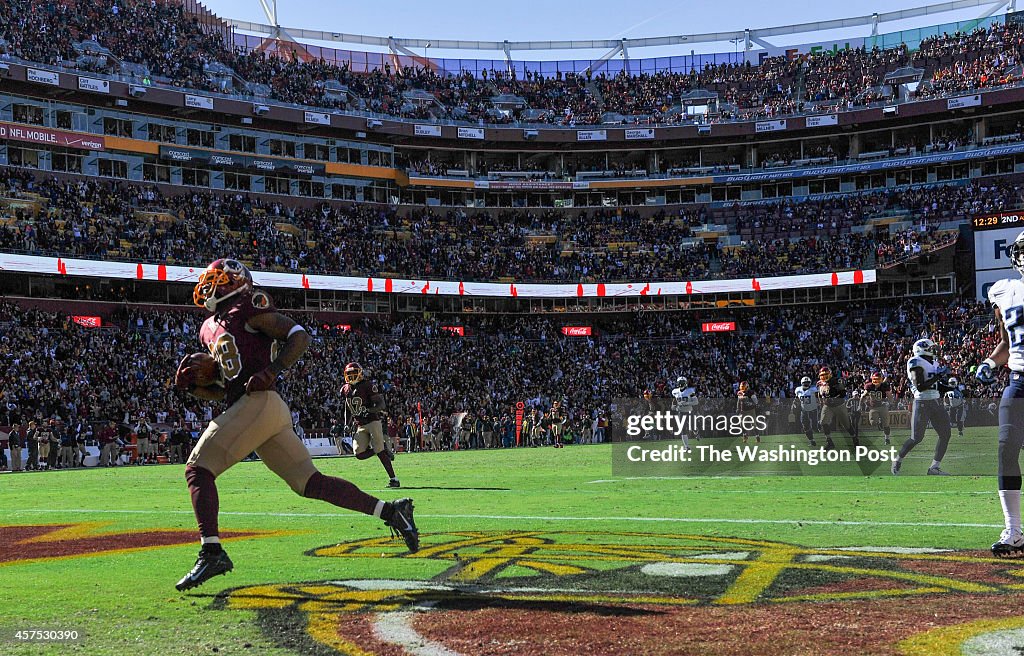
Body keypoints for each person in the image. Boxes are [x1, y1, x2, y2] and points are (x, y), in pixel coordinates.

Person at [173, 258, 418, 591]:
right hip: (254, 409)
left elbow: (298, 335)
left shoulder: (250, 305)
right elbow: (225, 391)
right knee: (310, 484)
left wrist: (271, 370)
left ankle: (211, 550)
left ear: (236, 282)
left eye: (217, 278)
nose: (208, 285)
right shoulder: (207, 328)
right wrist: (196, 388)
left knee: (197, 470)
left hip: (260, 403)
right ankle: (393, 513)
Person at [978, 235, 1024, 556]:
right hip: (1019, 381)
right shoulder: (1005, 291)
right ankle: (1014, 531)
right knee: (1006, 448)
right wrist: (989, 362)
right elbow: (1007, 343)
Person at [892, 338, 953, 476]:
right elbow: (920, 386)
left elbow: (936, 385)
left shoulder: (934, 362)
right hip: (922, 402)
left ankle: (934, 468)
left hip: (936, 401)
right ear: (922, 349)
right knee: (917, 438)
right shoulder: (914, 362)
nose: (934, 351)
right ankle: (898, 459)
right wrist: (939, 375)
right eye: (931, 348)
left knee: (945, 434)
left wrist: (950, 387)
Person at [340, 362, 401, 487]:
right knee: (359, 453)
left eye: (353, 373)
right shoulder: (345, 389)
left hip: (372, 421)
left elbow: (381, 404)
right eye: (349, 374)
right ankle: (382, 449)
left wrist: (369, 410)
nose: (351, 376)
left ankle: (394, 479)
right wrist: (347, 423)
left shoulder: (367, 385)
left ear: (360, 373)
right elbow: (347, 407)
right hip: (360, 425)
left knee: (380, 452)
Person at [817, 366, 858, 450]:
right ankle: (829, 442)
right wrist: (821, 401)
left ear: (830, 374)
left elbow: (843, 393)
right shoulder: (820, 383)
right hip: (828, 405)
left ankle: (854, 438)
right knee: (823, 422)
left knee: (846, 425)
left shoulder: (836, 381)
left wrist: (835, 397)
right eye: (822, 375)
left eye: (826, 374)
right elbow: (820, 394)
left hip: (839, 405)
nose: (824, 377)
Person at [863, 372, 893, 446]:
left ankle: (887, 439)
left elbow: (889, 395)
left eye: (878, 379)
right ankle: (879, 422)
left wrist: (890, 403)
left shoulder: (884, 386)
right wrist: (863, 402)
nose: (876, 381)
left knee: (886, 424)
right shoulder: (869, 386)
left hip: (883, 406)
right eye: (875, 379)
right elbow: (864, 395)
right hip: (873, 407)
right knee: (873, 423)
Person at [672, 376, 699, 450]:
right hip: (681, 412)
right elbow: (674, 401)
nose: (681, 384)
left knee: (693, 427)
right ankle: (686, 446)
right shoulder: (675, 391)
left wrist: (687, 403)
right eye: (679, 383)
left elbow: (696, 401)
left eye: (682, 382)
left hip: (689, 411)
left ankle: (696, 432)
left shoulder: (690, 391)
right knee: (683, 429)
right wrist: (673, 405)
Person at [792, 376, 819, 446]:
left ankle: (817, 425)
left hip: (813, 410)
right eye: (805, 383)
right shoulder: (798, 390)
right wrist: (794, 404)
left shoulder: (813, 389)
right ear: (802, 383)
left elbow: (818, 398)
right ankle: (811, 440)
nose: (806, 384)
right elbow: (796, 399)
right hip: (804, 410)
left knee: (814, 427)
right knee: (805, 426)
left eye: (808, 383)